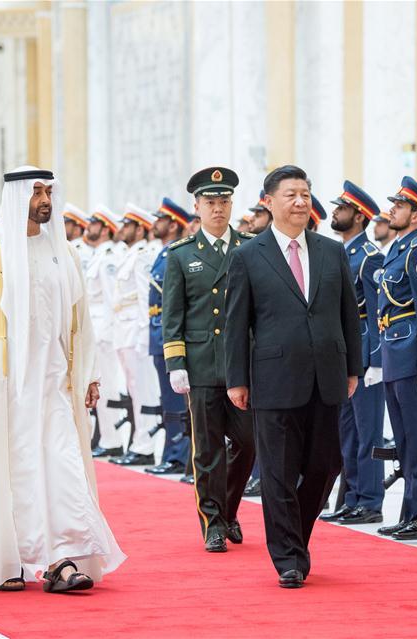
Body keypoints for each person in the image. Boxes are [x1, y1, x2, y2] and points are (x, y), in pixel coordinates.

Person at [0, 166, 124, 592]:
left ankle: (61, 559)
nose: (44, 199)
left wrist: (90, 373)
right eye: (36, 191)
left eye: (48, 191)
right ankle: (15, 558)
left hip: (55, 384)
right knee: (18, 471)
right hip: (6, 388)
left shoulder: (64, 252)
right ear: (16, 195)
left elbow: (82, 321)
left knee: (63, 466)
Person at [225, 165, 362, 588]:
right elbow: (236, 323)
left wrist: (353, 367)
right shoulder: (248, 255)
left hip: (327, 375)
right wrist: (236, 379)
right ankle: (287, 558)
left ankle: (294, 539)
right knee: (279, 473)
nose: (301, 202)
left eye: (305, 194)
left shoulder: (330, 251)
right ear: (269, 202)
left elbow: (348, 316)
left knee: (325, 466)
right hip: (273, 378)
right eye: (291, 195)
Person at [163, 167, 256, 553]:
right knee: (207, 449)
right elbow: (174, 315)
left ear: (232, 205)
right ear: (197, 207)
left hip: (242, 366)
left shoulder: (251, 247)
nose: (218, 209)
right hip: (201, 364)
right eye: (210, 202)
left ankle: (230, 508)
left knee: (250, 442)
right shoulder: (182, 255)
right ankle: (213, 522)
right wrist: (176, 363)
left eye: (224, 202)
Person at [375, 176, 417, 541]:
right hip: (393, 349)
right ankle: (410, 512)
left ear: (416, 216)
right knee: (403, 438)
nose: (392, 211)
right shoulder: (398, 249)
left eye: (399, 206)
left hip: (411, 351)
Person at [324, 180, 386, 525]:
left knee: (367, 432)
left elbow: (377, 316)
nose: (336, 212)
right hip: (344, 356)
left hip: (364, 356)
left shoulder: (370, 258)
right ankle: (351, 497)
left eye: (343, 208)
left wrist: (376, 360)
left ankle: (370, 499)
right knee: (348, 432)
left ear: (359, 217)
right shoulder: (340, 253)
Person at [109, 204, 162, 465]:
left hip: (135, 332)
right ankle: (139, 441)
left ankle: (145, 446)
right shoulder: (130, 254)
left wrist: (144, 336)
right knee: (133, 387)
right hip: (123, 329)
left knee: (143, 390)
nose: (122, 229)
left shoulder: (142, 255)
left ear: (140, 229)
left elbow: (145, 299)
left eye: (128, 225)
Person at [145, 197, 194, 476]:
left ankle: (179, 455)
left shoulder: (176, 252)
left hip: (169, 337)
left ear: (173, 224)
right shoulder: (164, 253)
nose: (156, 223)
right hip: (158, 334)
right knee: (169, 401)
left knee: (177, 403)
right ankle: (172, 452)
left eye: (161, 219)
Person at [83, 207, 127, 458]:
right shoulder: (100, 255)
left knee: (107, 385)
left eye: (94, 223)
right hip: (96, 329)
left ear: (105, 228)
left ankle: (113, 440)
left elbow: (113, 300)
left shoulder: (109, 257)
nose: (89, 226)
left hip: (105, 331)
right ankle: (108, 438)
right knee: (99, 386)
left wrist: (110, 334)